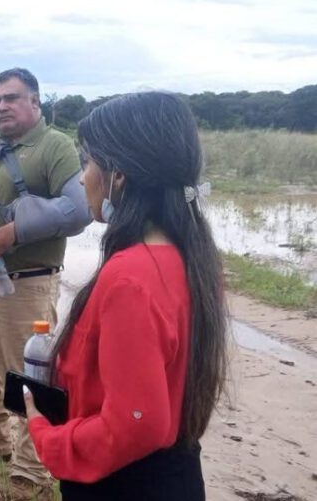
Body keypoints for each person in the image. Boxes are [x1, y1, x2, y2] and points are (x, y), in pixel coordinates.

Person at [24, 91, 227, 501]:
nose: (82, 178)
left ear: (119, 176)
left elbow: (136, 423)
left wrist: (48, 436)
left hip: (124, 482)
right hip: (176, 472)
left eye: (89, 162)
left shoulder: (130, 276)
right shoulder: (189, 256)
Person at [0, 67, 91, 498]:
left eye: (11, 98)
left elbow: (80, 209)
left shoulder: (54, 146)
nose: (2, 107)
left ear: (35, 102)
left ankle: (34, 465)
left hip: (24, 282)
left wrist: (16, 231)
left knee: (29, 374)